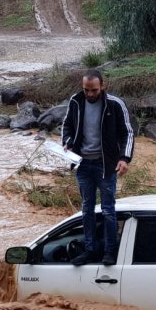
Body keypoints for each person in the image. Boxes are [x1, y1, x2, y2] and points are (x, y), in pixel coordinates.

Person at [62, 69, 134, 266]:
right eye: (86, 89)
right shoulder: (76, 101)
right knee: (86, 210)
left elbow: (127, 133)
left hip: (106, 166)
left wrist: (124, 159)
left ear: (102, 85)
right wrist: (67, 141)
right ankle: (90, 250)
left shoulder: (115, 104)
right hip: (83, 164)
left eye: (94, 90)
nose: (90, 94)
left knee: (108, 210)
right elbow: (67, 126)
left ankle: (110, 252)